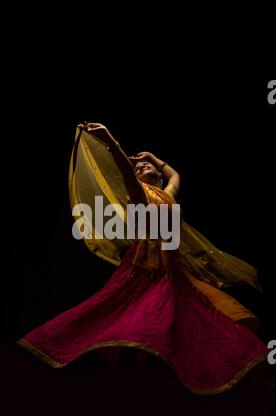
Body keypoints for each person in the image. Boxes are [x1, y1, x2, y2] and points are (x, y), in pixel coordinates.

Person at [18, 123, 267, 395]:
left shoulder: (168, 194)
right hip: (144, 265)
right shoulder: (139, 194)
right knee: (129, 311)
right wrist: (109, 139)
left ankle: (162, 377)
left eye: (146, 167)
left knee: (180, 317)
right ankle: (92, 363)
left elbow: (175, 174)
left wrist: (152, 156)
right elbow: (125, 167)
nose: (141, 168)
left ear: (157, 175)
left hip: (170, 268)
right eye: (138, 168)